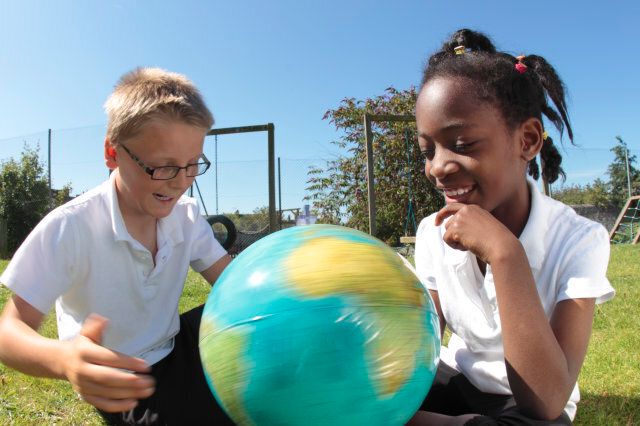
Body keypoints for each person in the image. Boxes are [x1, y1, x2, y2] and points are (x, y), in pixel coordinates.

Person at [0, 67, 235, 425]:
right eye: (163, 167)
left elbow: (232, 283)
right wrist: (65, 360)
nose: (180, 183)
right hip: (122, 375)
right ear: (113, 153)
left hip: (176, 343)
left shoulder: (184, 215)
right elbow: (9, 332)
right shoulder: (71, 227)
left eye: (192, 166)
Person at [408, 29, 615, 425]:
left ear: (528, 140)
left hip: (524, 405)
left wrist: (505, 254)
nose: (438, 167)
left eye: (463, 144)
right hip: (457, 382)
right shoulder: (432, 232)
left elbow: (547, 400)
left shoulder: (579, 240)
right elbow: (419, 347)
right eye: (427, 150)